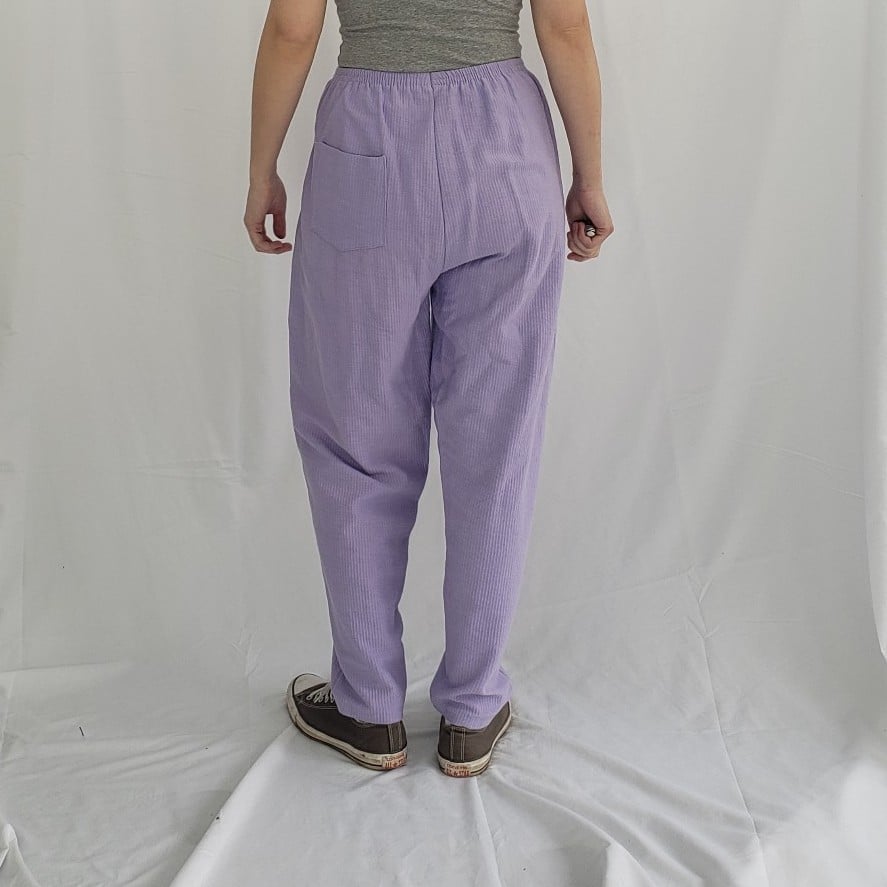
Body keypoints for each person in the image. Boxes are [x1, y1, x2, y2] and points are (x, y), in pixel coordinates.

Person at [244, 0, 613, 777]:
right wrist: (589, 175)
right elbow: (565, 26)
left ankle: (368, 706)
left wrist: (261, 168)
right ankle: (471, 710)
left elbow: (292, 29)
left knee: (354, 440)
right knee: (497, 444)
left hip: (367, 145)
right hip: (505, 146)